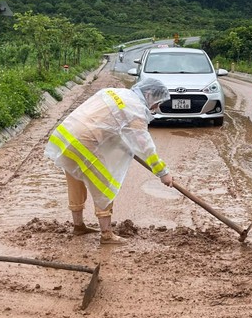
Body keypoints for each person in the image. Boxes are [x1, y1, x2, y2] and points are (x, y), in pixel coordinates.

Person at [45, 78, 174, 241]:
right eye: (157, 102)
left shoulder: (115, 92)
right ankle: (107, 234)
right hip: (84, 141)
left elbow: (106, 123)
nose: (157, 107)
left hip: (66, 135)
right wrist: (163, 172)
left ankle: (78, 226)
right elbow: (145, 145)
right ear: (148, 94)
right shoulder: (136, 109)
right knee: (104, 185)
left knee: (75, 178)